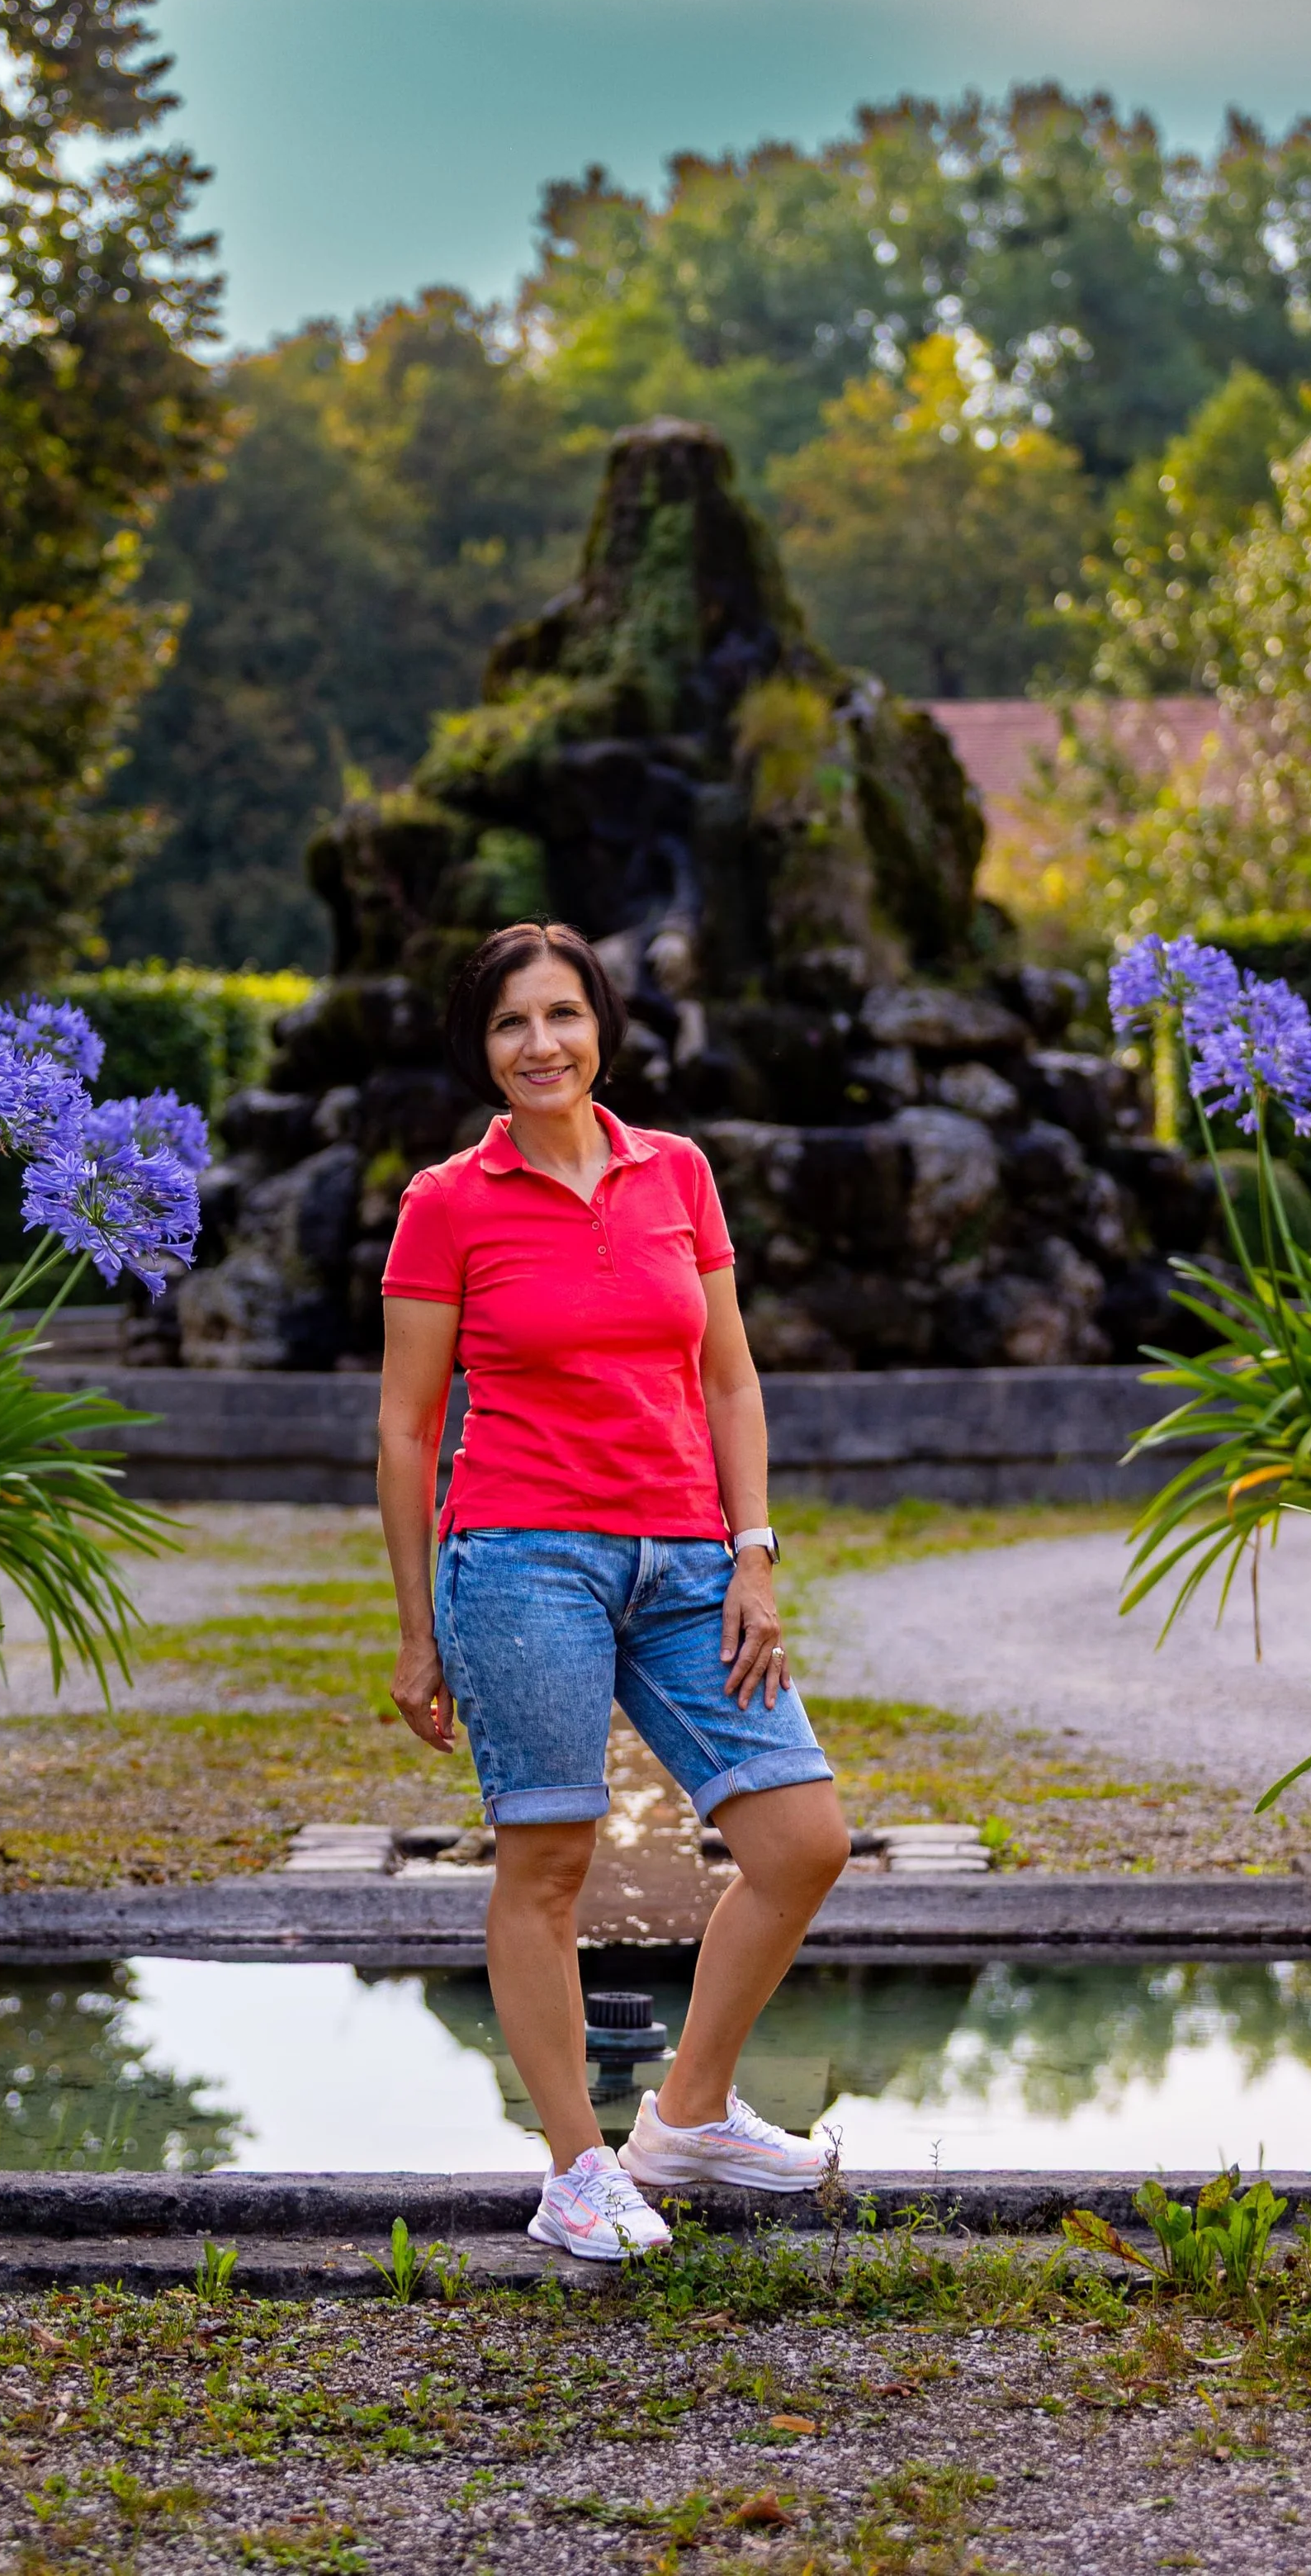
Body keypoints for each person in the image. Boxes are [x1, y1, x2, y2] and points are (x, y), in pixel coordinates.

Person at [377, 919, 852, 2261]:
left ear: (602, 1027)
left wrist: (753, 1550)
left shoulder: (678, 1172)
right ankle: (576, 2168)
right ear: (482, 1048)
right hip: (523, 1557)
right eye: (510, 1023)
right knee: (548, 1862)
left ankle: (688, 2115)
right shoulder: (446, 1202)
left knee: (802, 1839)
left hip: (690, 1558)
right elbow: (407, 1427)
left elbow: (730, 1378)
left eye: (563, 1014)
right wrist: (416, 1629)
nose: (542, 1043)